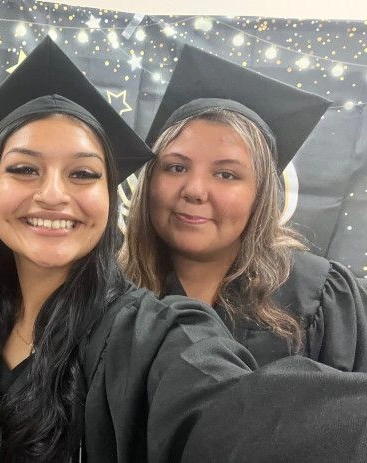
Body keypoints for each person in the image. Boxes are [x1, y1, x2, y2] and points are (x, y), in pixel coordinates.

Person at [0, 37, 367, 463]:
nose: (194, 190)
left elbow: (236, 410)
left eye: (83, 174)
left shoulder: (142, 329)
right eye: (24, 168)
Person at [121, 45, 367, 369]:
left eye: (226, 174)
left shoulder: (318, 297)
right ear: (150, 181)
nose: (195, 191)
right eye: (176, 167)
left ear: (261, 194)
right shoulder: (115, 293)